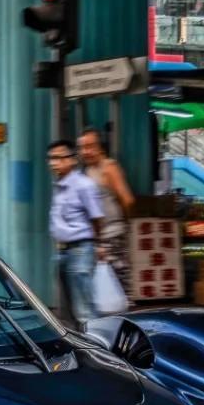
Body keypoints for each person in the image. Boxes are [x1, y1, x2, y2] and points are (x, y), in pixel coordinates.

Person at [47, 138, 104, 329]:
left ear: (72, 160)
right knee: (68, 310)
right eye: (51, 158)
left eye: (59, 158)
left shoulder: (83, 185)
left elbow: (97, 217)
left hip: (80, 250)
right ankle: (79, 348)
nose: (54, 163)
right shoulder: (59, 185)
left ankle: (98, 349)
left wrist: (98, 245)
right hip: (61, 252)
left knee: (84, 309)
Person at [77, 127, 133, 287]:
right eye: (82, 147)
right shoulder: (87, 171)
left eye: (90, 146)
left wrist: (123, 225)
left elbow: (127, 200)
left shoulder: (109, 167)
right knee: (101, 289)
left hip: (113, 237)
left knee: (117, 286)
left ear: (100, 148)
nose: (85, 151)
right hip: (97, 240)